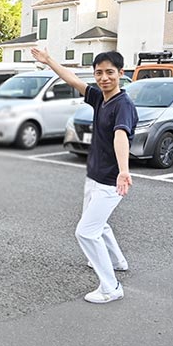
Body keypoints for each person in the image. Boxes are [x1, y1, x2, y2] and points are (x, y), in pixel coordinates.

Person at [30, 47, 138, 304]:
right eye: (99, 73)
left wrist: (124, 170)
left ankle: (111, 287)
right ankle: (117, 261)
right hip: (95, 176)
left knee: (86, 232)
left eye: (110, 72)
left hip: (111, 180)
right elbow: (72, 79)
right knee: (98, 224)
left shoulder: (123, 105)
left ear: (121, 73)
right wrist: (49, 61)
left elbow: (120, 135)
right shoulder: (101, 98)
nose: (104, 78)